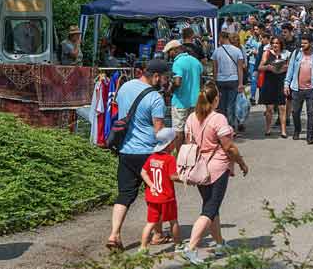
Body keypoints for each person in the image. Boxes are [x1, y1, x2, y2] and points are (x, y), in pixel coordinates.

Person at [181, 82, 249, 264]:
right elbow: (229, 148)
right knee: (209, 209)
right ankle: (191, 247)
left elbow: (188, 143)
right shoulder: (218, 119)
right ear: (216, 99)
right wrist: (241, 163)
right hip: (217, 169)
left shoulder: (191, 118)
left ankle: (219, 243)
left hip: (199, 169)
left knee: (212, 208)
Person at [107, 59, 169, 251]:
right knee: (155, 193)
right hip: (148, 153)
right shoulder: (156, 98)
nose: (165, 81)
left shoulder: (125, 87)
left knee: (124, 194)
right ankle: (157, 234)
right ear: (156, 76)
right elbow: (159, 131)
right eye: (164, 77)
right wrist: (172, 136)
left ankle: (114, 234)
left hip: (125, 150)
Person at [139, 128, 181, 252]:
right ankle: (178, 244)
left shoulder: (152, 157)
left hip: (152, 196)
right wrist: (185, 178)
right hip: (167, 197)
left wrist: (151, 185)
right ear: (170, 143)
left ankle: (142, 248)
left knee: (150, 223)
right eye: (175, 140)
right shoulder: (169, 159)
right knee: (173, 221)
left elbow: (143, 172)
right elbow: (173, 176)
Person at [283, 37, 313, 144]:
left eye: (305, 43)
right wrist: (286, 84)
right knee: (295, 112)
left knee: (311, 113)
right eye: (301, 42)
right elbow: (290, 70)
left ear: (311, 43)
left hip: (311, 90)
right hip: (296, 89)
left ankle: (310, 136)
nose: (302, 45)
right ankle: (297, 129)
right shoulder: (296, 53)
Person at [165, 40, 203, 145]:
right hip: (195, 102)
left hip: (180, 102)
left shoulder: (177, 63)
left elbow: (177, 82)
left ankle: (180, 155)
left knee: (178, 130)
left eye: (169, 52)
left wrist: (170, 90)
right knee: (193, 129)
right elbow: (201, 81)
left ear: (175, 50)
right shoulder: (195, 61)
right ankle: (192, 152)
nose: (169, 55)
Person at [212, 32, 245, 128]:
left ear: (222, 38)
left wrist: (214, 82)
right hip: (233, 80)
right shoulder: (237, 50)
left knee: (221, 106)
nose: (219, 40)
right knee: (231, 105)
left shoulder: (216, 51)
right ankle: (231, 127)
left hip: (220, 81)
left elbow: (215, 69)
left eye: (219, 38)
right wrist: (240, 83)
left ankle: (223, 127)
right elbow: (240, 68)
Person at [259, 36, 290, 138]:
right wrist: (268, 67)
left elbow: (290, 68)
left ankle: (283, 130)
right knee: (269, 108)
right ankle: (268, 128)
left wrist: (285, 68)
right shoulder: (267, 53)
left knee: (282, 107)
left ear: (281, 44)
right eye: (273, 43)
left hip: (281, 81)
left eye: (277, 43)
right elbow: (260, 67)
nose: (275, 45)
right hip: (269, 82)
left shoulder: (286, 54)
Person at [245, 25, 263, 102]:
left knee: (262, 80)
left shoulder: (264, 39)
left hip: (262, 63)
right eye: (254, 29)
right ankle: (252, 97)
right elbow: (246, 50)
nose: (256, 31)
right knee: (253, 79)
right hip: (253, 62)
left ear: (261, 30)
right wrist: (252, 51)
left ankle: (262, 97)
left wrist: (259, 52)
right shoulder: (250, 40)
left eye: (257, 29)